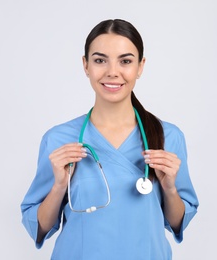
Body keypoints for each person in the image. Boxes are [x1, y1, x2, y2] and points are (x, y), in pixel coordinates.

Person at [21, 19, 199, 259]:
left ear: (140, 66)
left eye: (125, 61)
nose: (112, 72)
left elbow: (177, 223)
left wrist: (169, 188)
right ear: (85, 65)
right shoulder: (59, 139)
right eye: (100, 60)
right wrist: (59, 186)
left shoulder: (168, 137)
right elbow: (39, 227)